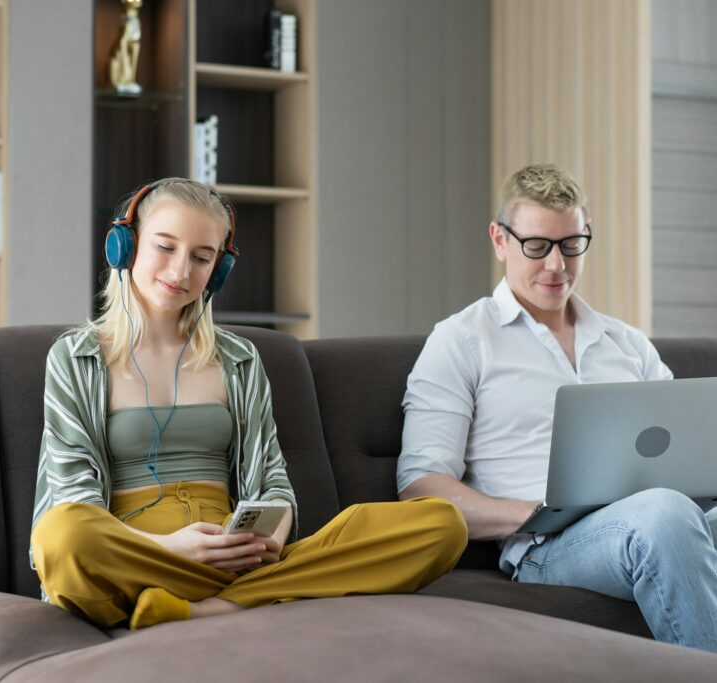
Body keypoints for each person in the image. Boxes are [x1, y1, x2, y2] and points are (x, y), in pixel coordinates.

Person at [397, 163, 717, 682]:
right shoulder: (462, 340)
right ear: (500, 239)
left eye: (571, 244)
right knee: (663, 512)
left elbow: (678, 456)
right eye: (537, 246)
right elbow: (421, 488)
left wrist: (695, 486)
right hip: (554, 547)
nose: (556, 265)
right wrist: (532, 512)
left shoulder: (626, 343)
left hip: (677, 525)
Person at [31, 178, 466, 630]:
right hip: (137, 558)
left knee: (441, 523)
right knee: (62, 535)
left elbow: (272, 478)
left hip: (231, 559)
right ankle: (251, 599)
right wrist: (171, 548)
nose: (180, 272)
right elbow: (72, 494)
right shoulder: (77, 357)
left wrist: (270, 536)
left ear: (218, 271)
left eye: (202, 258)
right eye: (165, 247)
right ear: (125, 246)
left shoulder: (238, 360)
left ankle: (211, 608)